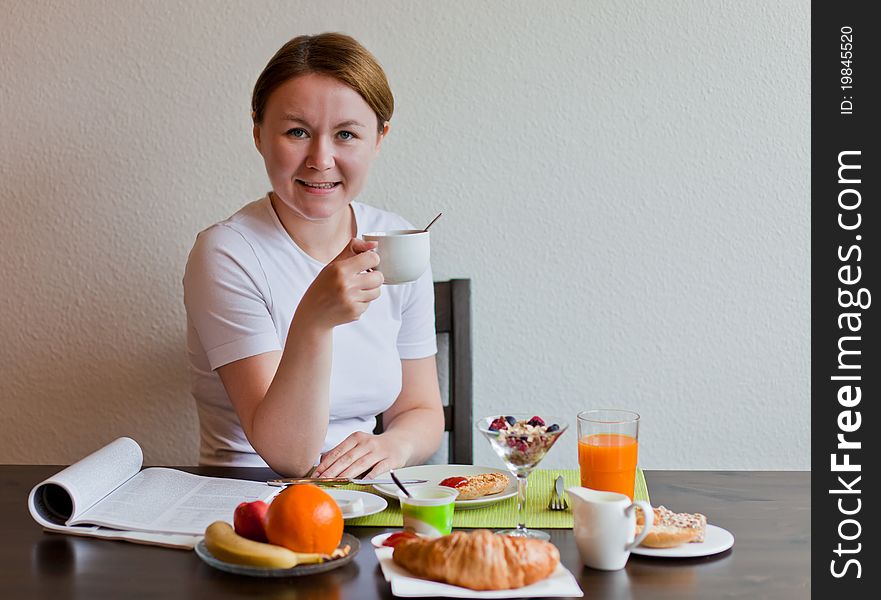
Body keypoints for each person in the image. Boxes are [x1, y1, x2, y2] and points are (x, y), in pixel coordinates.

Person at [183, 33, 444, 478]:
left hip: (366, 495)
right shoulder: (227, 253)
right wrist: (314, 319)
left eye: (346, 134)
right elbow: (287, 455)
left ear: (379, 138)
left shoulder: (396, 243)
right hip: (249, 494)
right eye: (297, 132)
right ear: (259, 135)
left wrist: (393, 446)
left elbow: (420, 409)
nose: (321, 159)